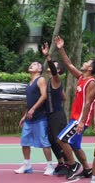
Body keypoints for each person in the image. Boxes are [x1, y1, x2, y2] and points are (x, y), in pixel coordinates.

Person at [54, 35, 95, 180]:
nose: (84, 62)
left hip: (79, 120)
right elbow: (69, 65)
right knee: (74, 145)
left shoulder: (91, 82)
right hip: (76, 118)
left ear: (90, 68)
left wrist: (81, 122)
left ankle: (73, 166)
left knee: (61, 139)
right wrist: (61, 49)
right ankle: (87, 169)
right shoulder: (81, 77)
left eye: (87, 62)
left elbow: (87, 103)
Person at [14, 61, 54, 176]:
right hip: (29, 118)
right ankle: (27, 165)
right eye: (31, 64)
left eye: (35, 64)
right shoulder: (29, 83)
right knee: (24, 142)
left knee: (44, 142)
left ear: (39, 69)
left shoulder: (40, 80)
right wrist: (25, 115)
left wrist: (33, 109)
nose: (32, 65)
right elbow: (30, 102)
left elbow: (44, 95)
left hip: (40, 117)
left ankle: (50, 166)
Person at [41, 42, 69, 175]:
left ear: (58, 71)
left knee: (59, 140)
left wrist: (48, 56)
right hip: (51, 114)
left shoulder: (56, 78)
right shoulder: (51, 82)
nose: (52, 68)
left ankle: (70, 164)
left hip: (57, 115)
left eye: (55, 67)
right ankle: (61, 162)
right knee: (52, 140)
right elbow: (63, 97)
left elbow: (52, 69)